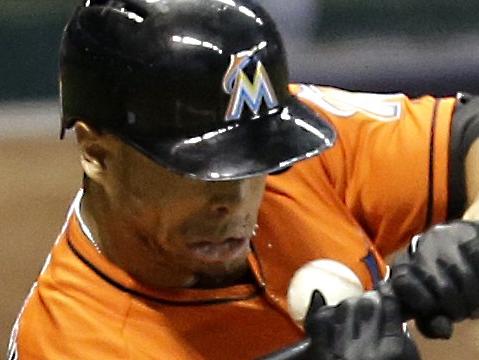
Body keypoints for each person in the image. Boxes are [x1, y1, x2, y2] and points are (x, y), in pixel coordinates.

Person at [7, 0, 479, 359]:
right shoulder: (65, 342)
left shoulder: (286, 147)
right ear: (96, 153)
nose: (235, 198)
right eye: (198, 169)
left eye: (257, 160)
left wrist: (470, 238)